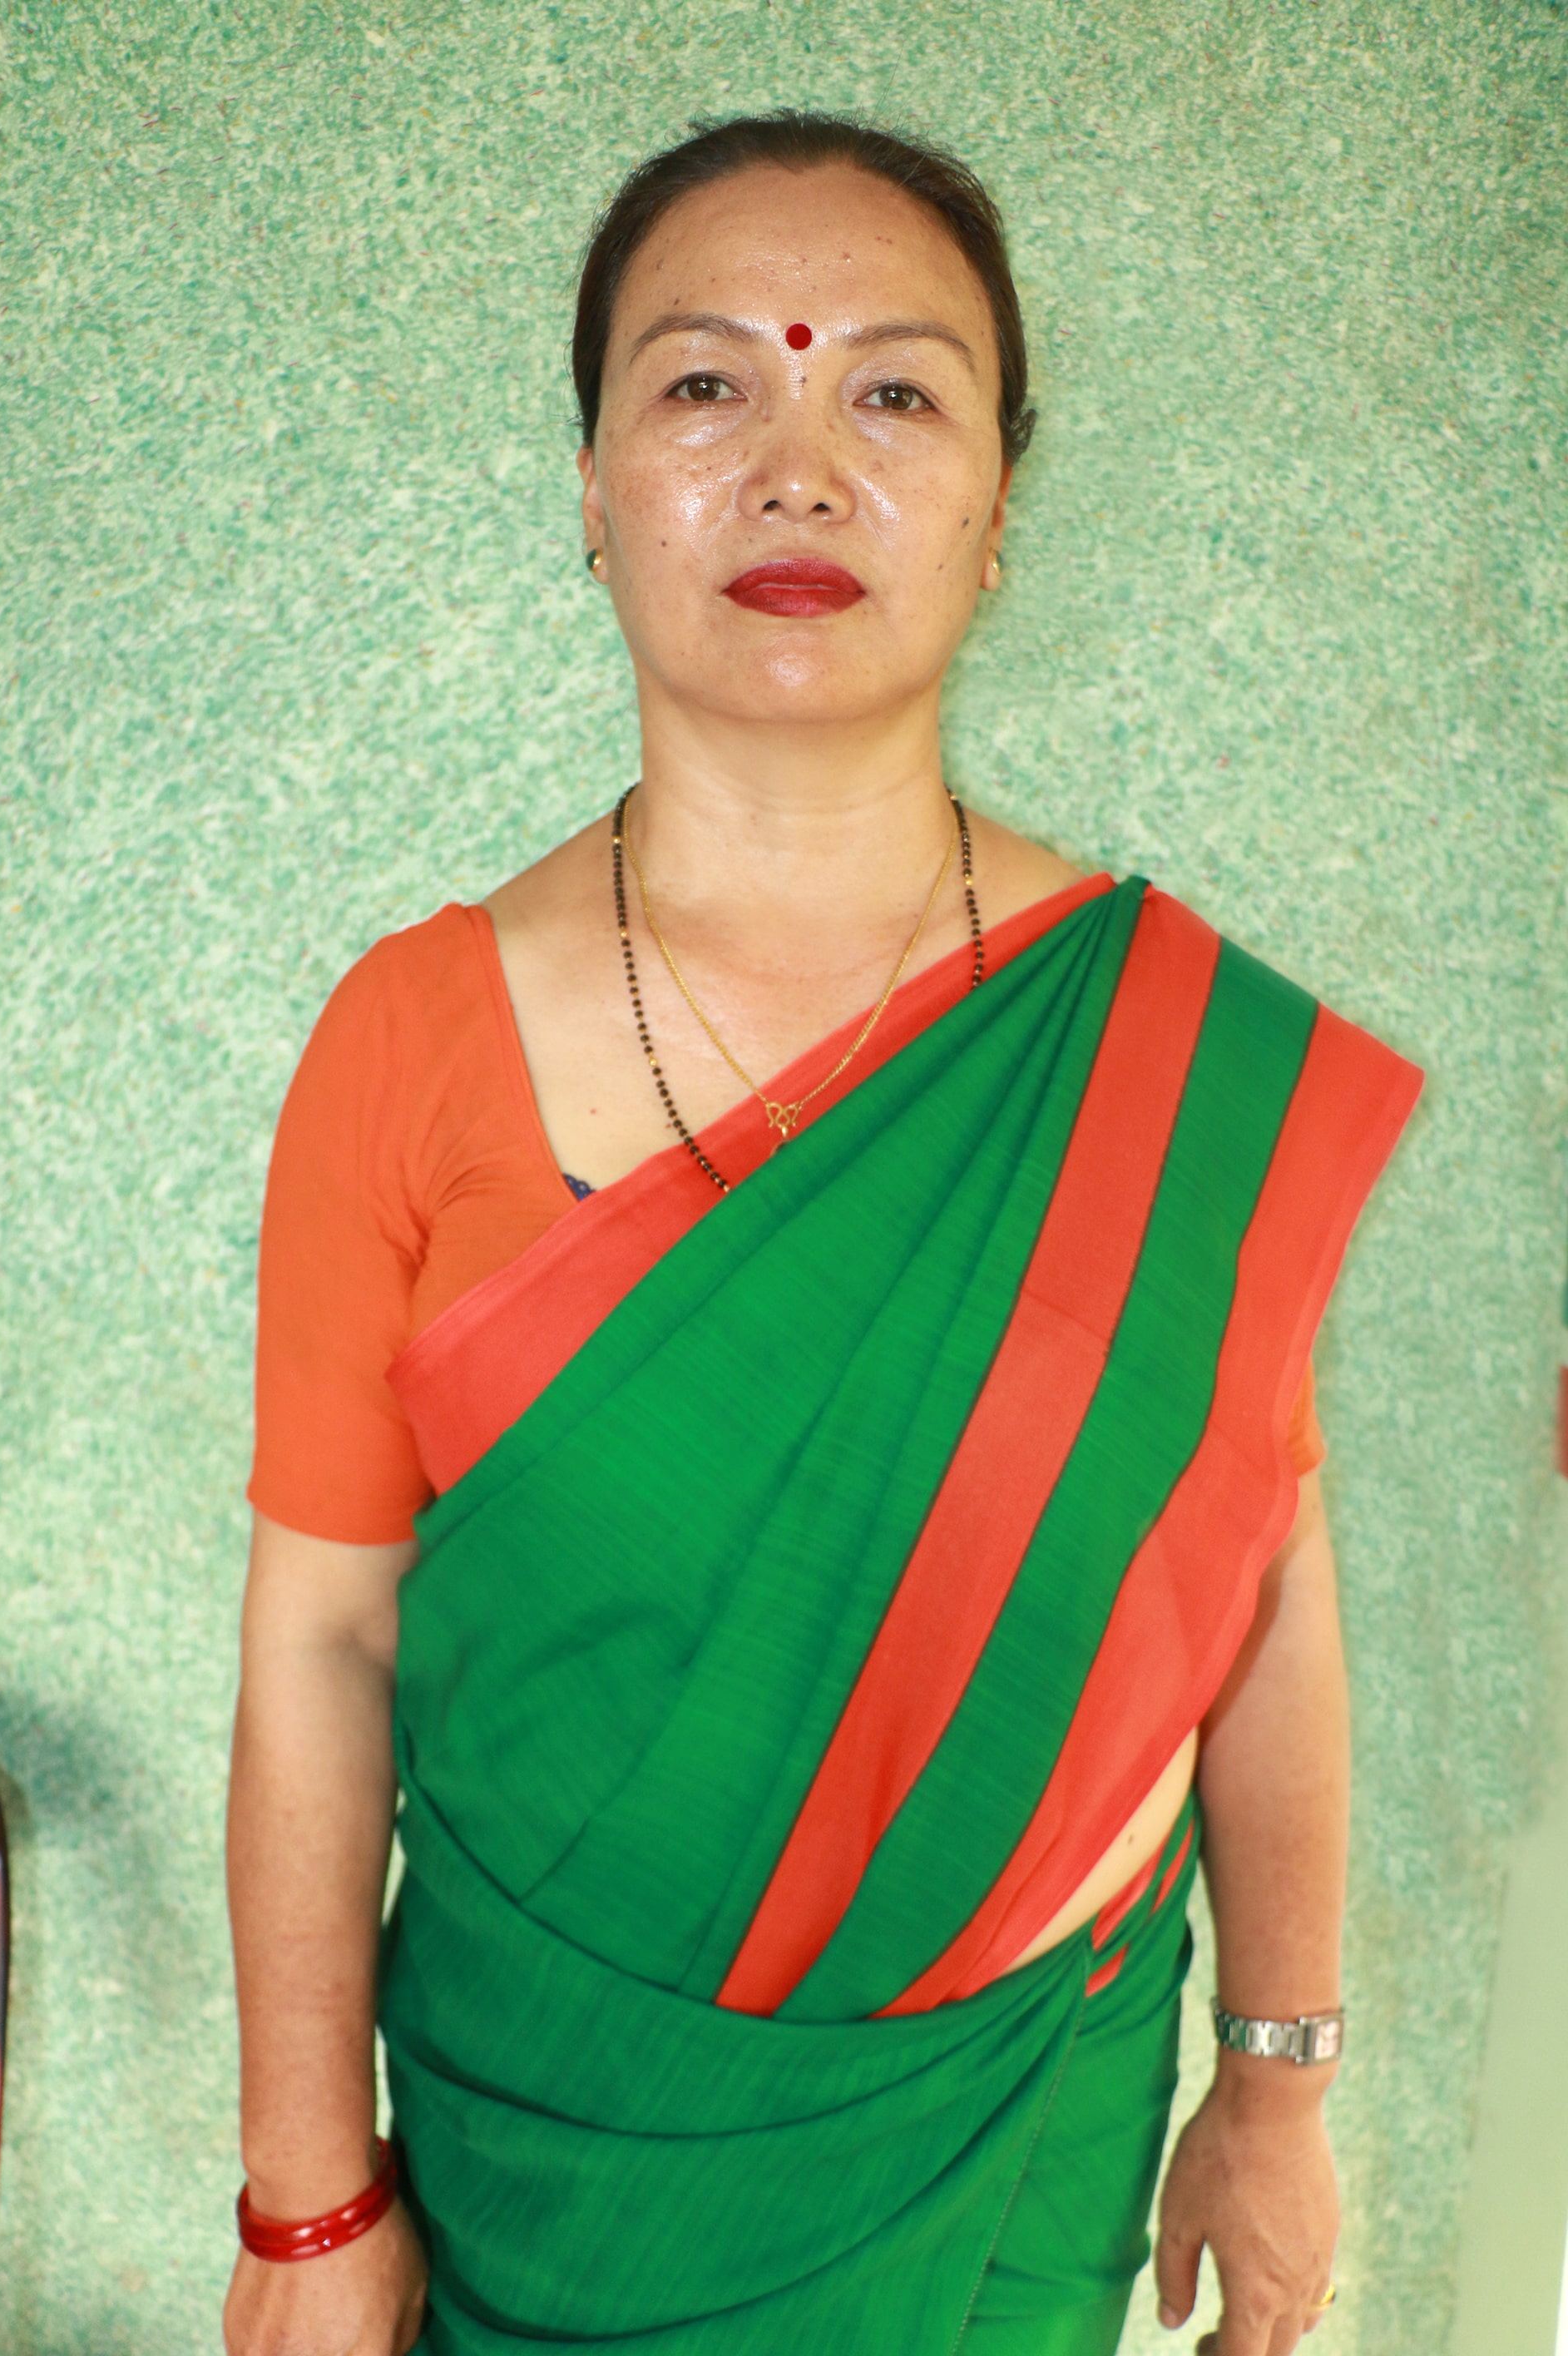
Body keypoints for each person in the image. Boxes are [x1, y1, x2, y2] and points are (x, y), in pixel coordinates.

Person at [224, 111, 1422, 2356]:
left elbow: (1256, 1599)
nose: (799, 471)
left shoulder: (1168, 1064)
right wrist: (308, 2203)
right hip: (540, 2162)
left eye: (894, 393)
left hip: (1007, 2144)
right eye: (704, 385)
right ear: (594, 491)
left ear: (998, 509)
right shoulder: (412, 1035)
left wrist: (1277, 2088)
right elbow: (321, 1653)